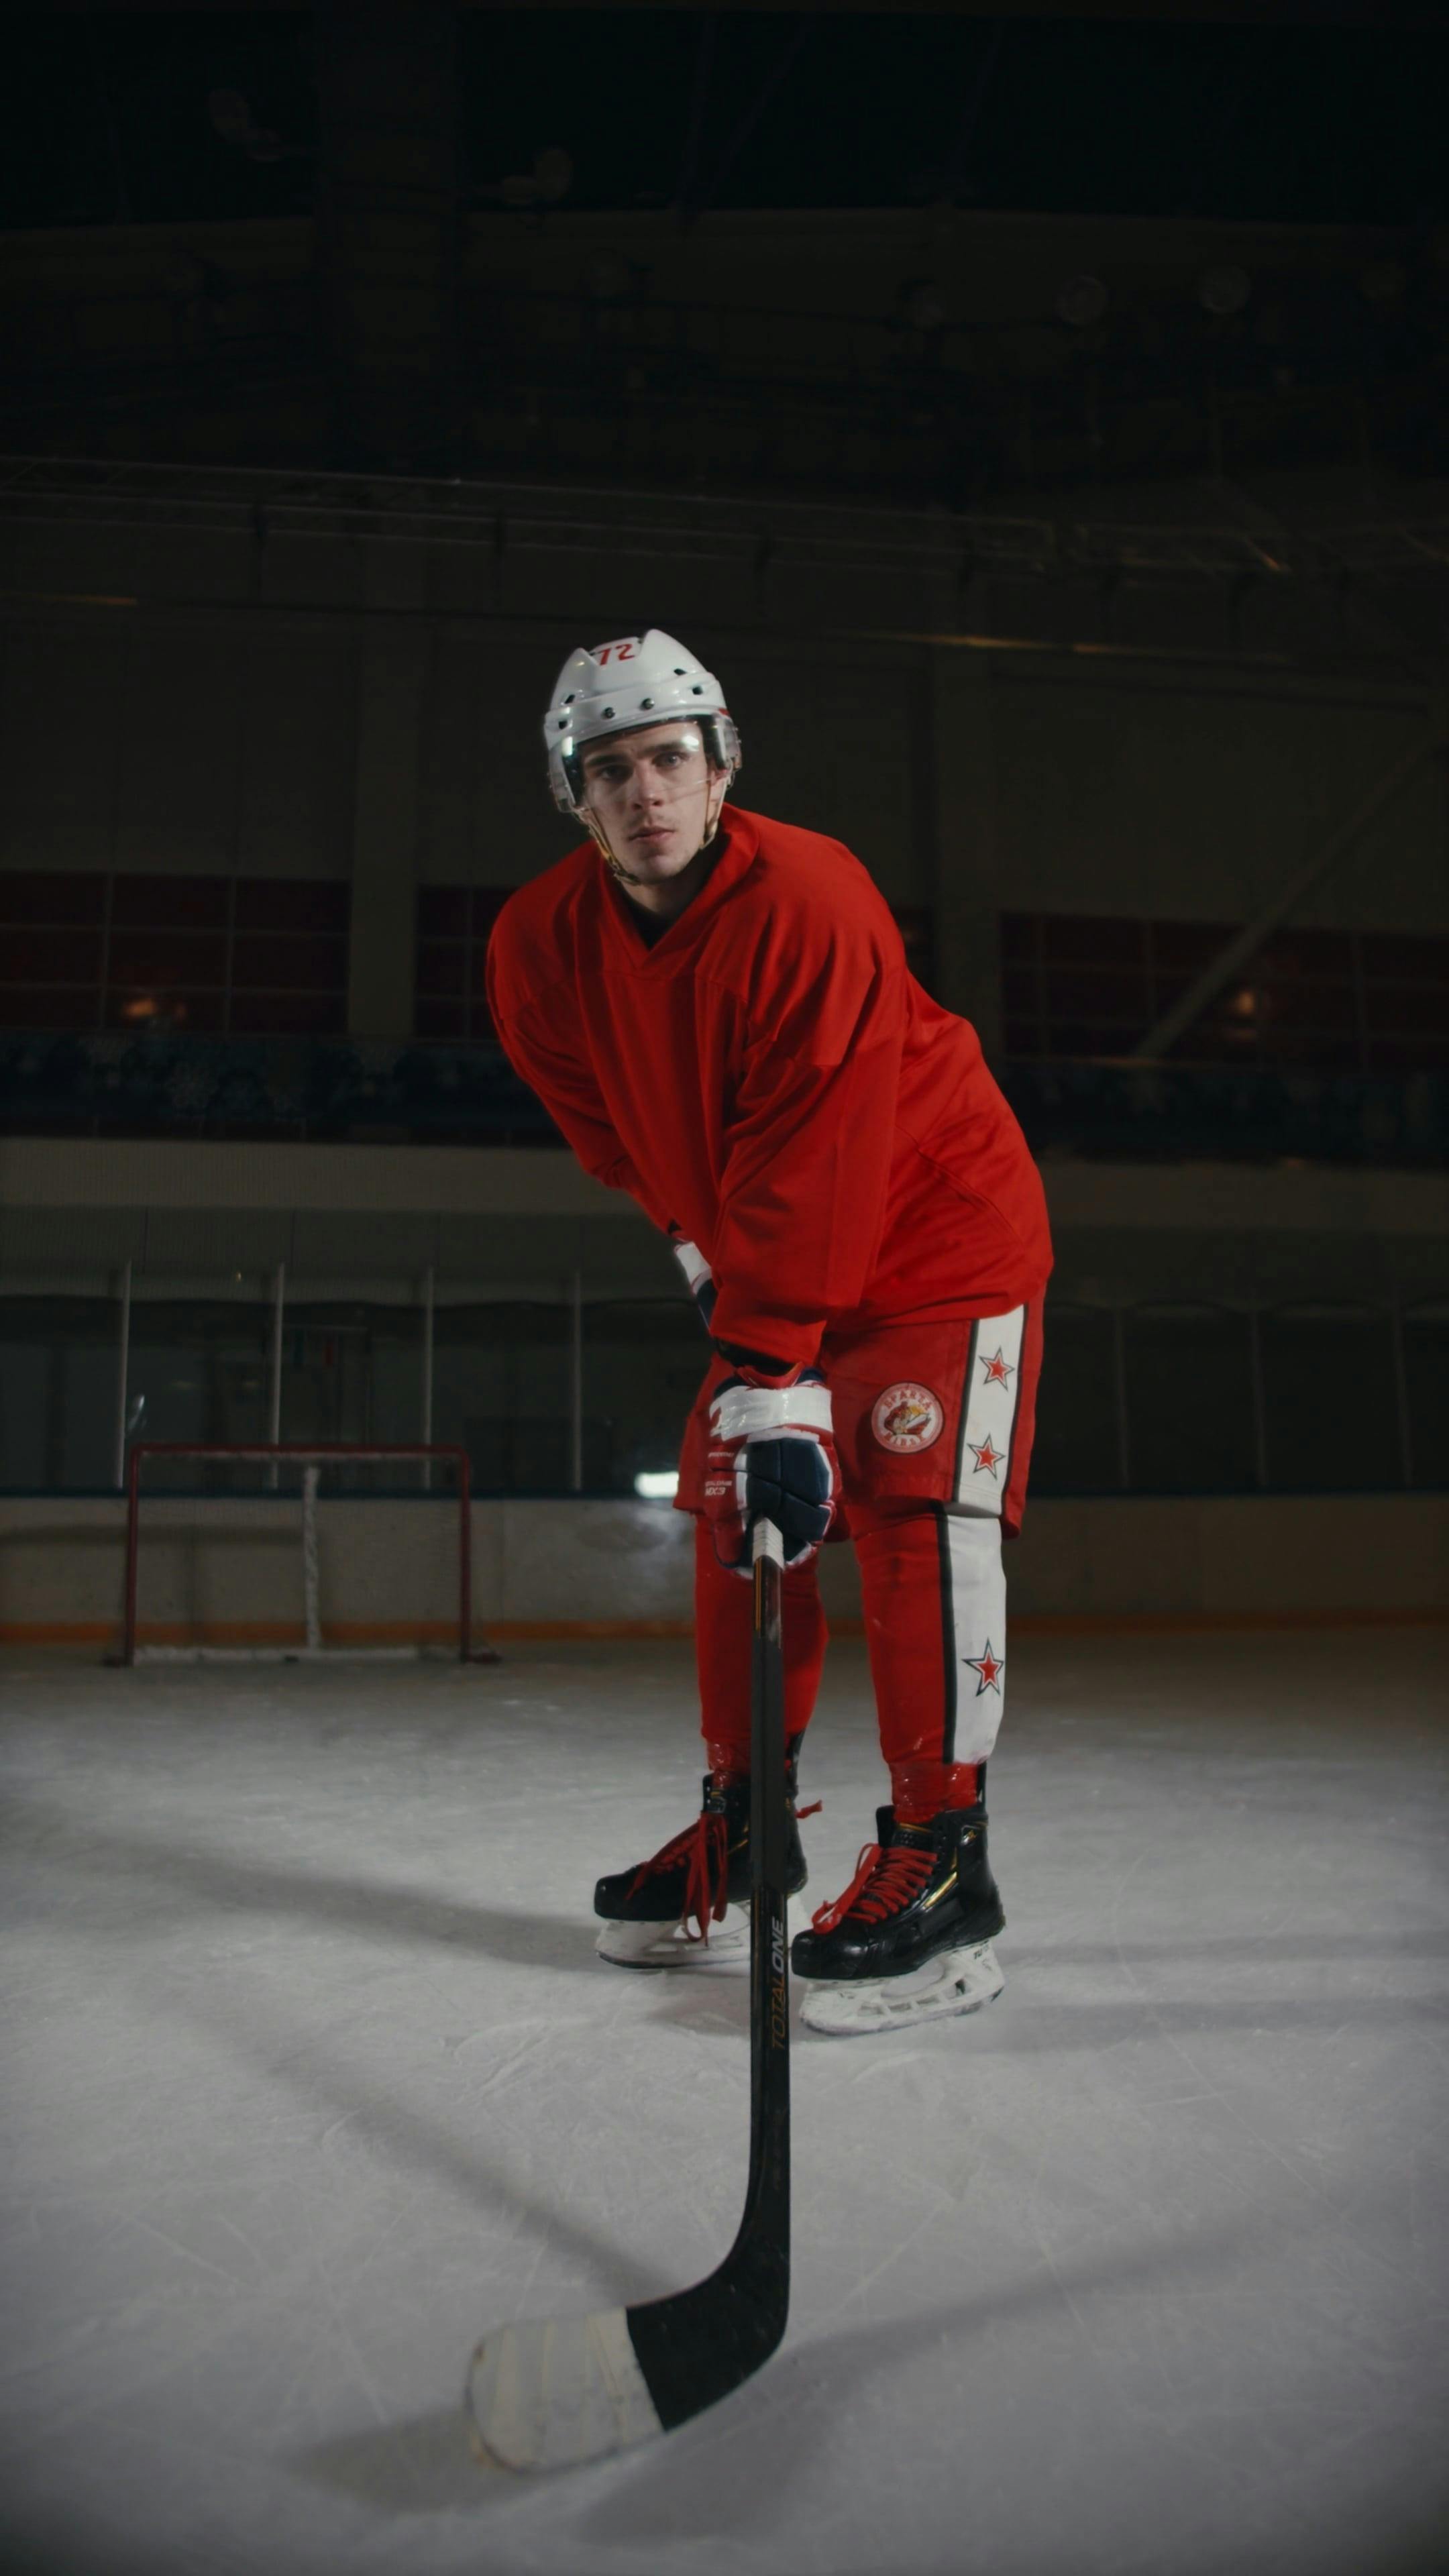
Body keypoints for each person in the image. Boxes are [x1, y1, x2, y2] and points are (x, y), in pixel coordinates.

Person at [486, 631, 1051, 2035]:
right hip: (775, 1255)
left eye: (670, 757)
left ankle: (943, 1864)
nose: (645, 793)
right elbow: (615, 1138)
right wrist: (720, 1290)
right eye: (608, 770)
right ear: (574, 796)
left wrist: (771, 1356)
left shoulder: (812, 894)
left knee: (918, 1515)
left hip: (932, 1234)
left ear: (724, 762)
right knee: (739, 1506)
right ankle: (752, 1829)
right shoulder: (536, 946)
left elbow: (825, 1140)